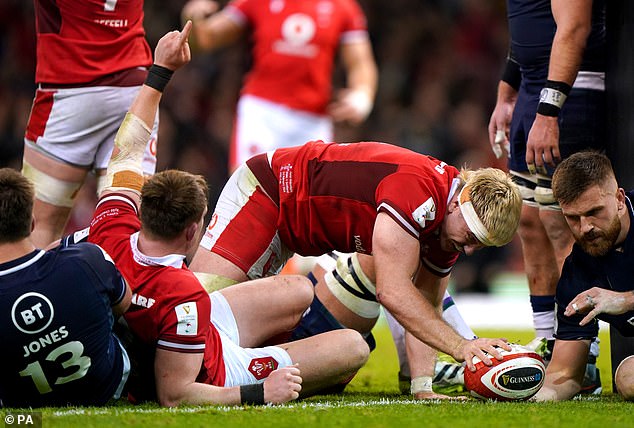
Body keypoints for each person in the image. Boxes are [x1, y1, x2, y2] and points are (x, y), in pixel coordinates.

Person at [87, 22, 369, 407]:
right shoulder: (181, 293)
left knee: (300, 288)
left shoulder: (111, 227)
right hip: (218, 367)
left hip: (199, 323)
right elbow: (175, 394)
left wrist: (159, 74)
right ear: (193, 230)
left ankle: (288, 342)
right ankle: (277, 358)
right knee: (353, 346)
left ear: (143, 208)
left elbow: (127, 150)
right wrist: (259, 391)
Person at [190, 132, 524, 388]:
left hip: (293, 228)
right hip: (270, 191)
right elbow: (393, 293)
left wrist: (422, 386)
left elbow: (426, 302)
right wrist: (462, 346)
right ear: (457, 204)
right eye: (471, 236)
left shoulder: (448, 227)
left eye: (480, 245)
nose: (468, 250)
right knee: (192, 320)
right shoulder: (419, 191)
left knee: (218, 340)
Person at [487, 0, 605, 388]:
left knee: (563, 224)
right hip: (532, 86)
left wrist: (550, 110)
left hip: (568, 89)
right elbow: (528, 27)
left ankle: (581, 351)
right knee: (529, 219)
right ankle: (547, 336)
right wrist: (508, 92)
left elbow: (573, 28)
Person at [181, 0, 378, 172]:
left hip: (312, 120)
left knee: (310, 203)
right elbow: (206, 39)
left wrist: (362, 97)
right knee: (246, 192)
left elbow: (361, 64)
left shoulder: (343, 7)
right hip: (263, 113)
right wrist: (191, 17)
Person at [22, 0, 158, 248]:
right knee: (126, 225)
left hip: (68, 93)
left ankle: (32, 288)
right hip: (134, 93)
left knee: (39, 226)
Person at [0, 168, 131, 408]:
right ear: (31, 223)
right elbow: (124, 303)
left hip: (24, 413)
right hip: (107, 390)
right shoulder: (86, 259)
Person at [533, 151, 634, 401]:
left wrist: (625, 300)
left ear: (619, 199)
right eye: (573, 218)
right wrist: (529, 395)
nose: (585, 227)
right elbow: (565, 374)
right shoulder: (577, 273)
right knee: (629, 380)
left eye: (594, 212)